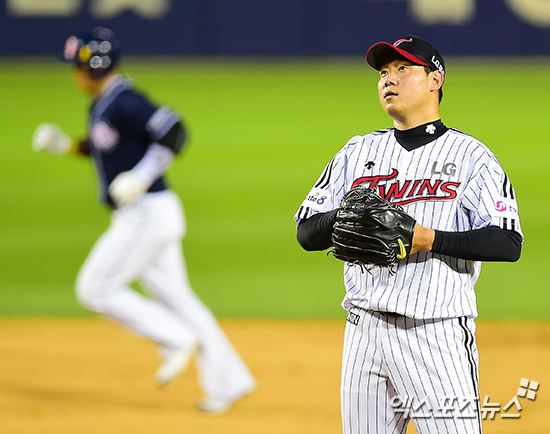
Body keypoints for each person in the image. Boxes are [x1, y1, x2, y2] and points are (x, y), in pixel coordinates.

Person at [294, 35, 523, 434]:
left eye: (403, 69)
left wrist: (427, 238)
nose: (389, 79)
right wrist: (346, 215)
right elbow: (306, 232)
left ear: (435, 80)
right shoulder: (356, 151)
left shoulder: (471, 156)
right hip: (363, 329)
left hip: (434, 332)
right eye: (383, 72)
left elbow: (507, 242)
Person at [32, 27, 255, 415]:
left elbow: (175, 132)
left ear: (96, 66)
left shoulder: (125, 101)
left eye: (77, 66)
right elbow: (106, 146)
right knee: (179, 299)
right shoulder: (102, 102)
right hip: (152, 214)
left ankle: (173, 339)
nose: (74, 74)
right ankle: (228, 382)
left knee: (94, 289)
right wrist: (65, 146)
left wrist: (142, 175)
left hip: (145, 215)